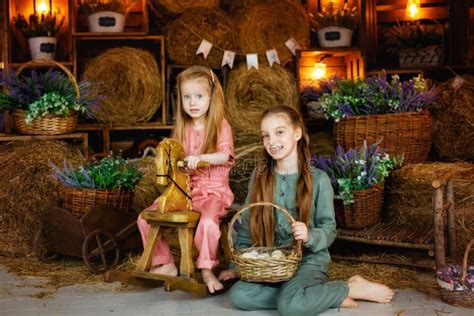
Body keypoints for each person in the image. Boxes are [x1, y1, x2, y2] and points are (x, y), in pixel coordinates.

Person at [218, 105, 394, 315]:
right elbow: (247, 223)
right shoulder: (260, 176)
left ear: (297, 133)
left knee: (290, 307)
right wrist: (236, 265)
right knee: (239, 295)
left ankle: (350, 288)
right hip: (273, 264)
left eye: (279, 132)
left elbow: (329, 229)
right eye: (266, 136)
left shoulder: (318, 179)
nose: (272, 142)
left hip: (308, 261)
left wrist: (310, 235)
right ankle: (316, 297)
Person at [137, 66, 234, 293]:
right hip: (185, 191)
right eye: (186, 97)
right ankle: (165, 263)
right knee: (144, 218)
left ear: (212, 97)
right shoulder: (182, 127)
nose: (192, 102)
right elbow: (173, 155)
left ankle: (207, 269)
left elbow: (224, 155)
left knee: (208, 222)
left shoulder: (220, 125)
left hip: (213, 190)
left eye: (199, 96)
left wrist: (200, 158)